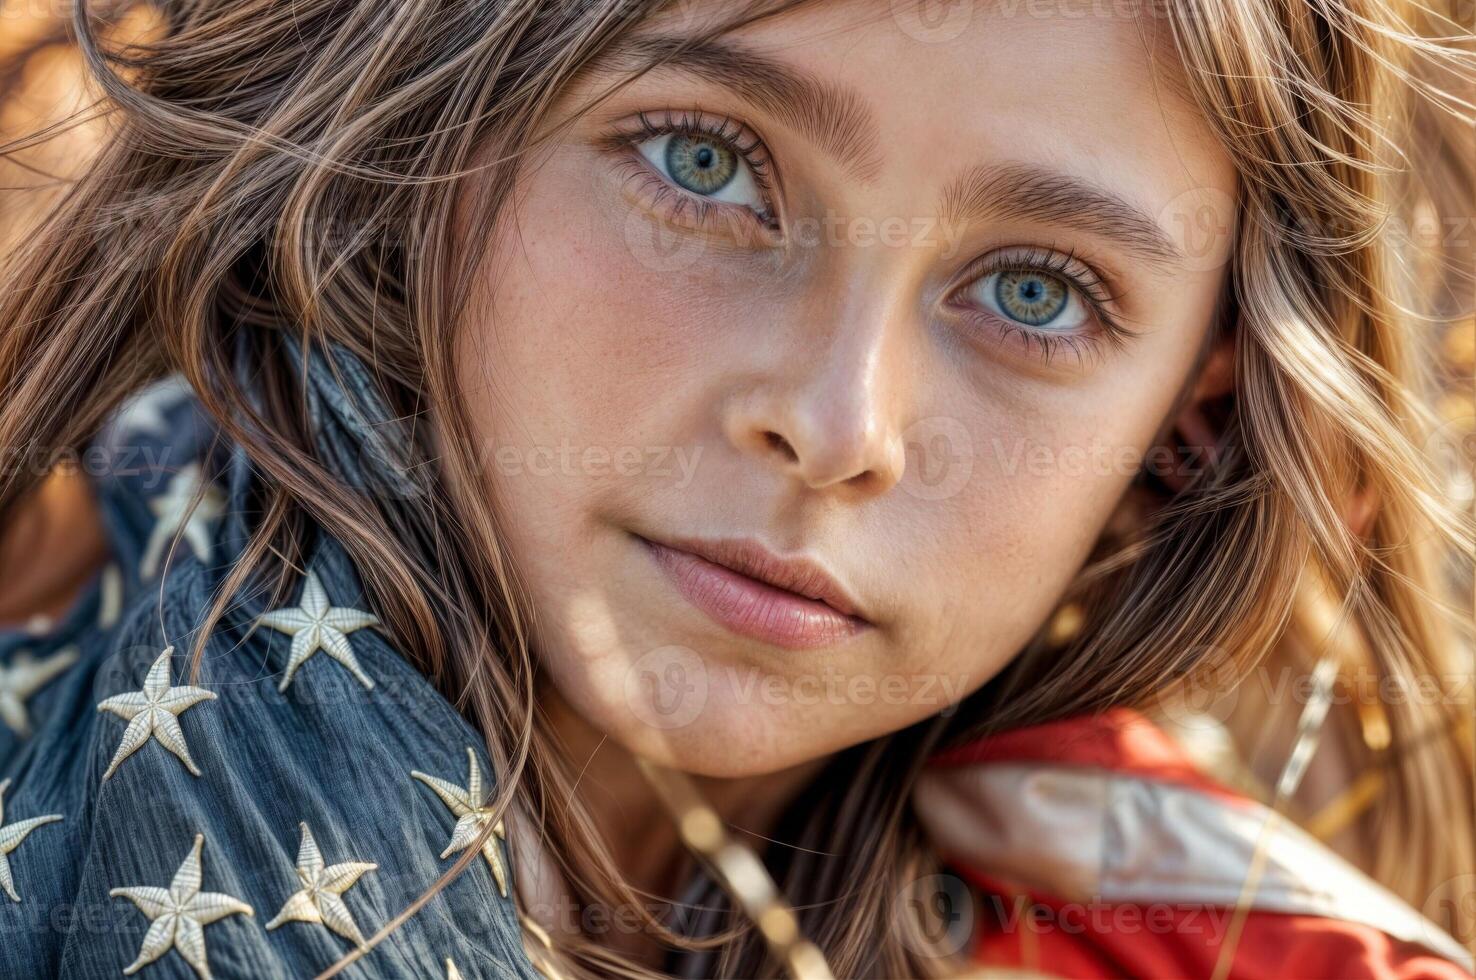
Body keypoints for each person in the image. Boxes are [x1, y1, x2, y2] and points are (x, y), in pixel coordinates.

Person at [0, 1, 1471, 977]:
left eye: (1033, 290)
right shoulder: (51, 711)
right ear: (415, 140)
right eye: (703, 164)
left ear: (1194, 406)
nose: (840, 424)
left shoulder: (1196, 939)